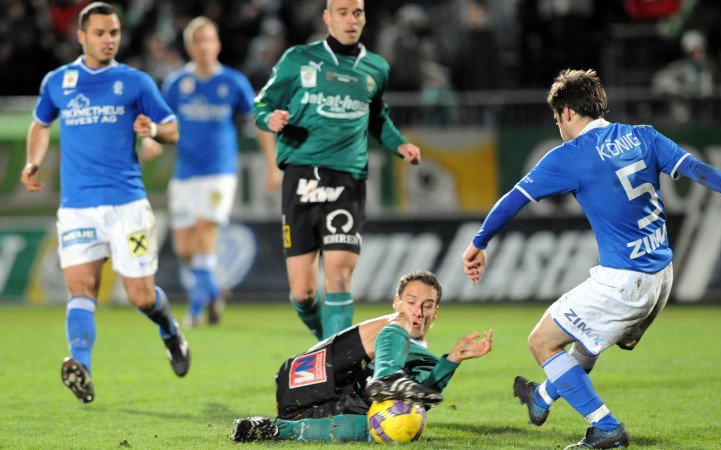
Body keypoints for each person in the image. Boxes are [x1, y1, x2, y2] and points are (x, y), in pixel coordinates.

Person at [462, 69, 721, 449]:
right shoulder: (643, 136)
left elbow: (513, 201)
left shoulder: (570, 156)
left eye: (557, 120)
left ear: (567, 112)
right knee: (585, 342)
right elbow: (699, 170)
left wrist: (478, 242)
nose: (559, 128)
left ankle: (606, 427)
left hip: (625, 281)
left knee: (542, 342)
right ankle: (543, 398)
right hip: (662, 277)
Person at [20, 2, 190, 403]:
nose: (108, 39)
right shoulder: (58, 82)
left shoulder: (134, 82)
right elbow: (40, 124)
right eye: (100, 33)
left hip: (126, 205)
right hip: (77, 206)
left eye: (114, 32)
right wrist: (32, 160)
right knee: (81, 287)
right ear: (81, 36)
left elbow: (172, 129)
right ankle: (81, 366)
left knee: (140, 297)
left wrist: (153, 131)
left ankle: (168, 328)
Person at [253, 0, 422, 340]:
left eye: (357, 12)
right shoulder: (298, 59)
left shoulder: (375, 68)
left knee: (338, 277)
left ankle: (338, 370)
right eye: (342, 12)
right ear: (327, 18)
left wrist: (399, 143)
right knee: (302, 293)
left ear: (364, 17)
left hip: (347, 179)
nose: (351, 19)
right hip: (300, 177)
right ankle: (329, 349)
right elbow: (262, 103)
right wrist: (269, 118)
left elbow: (377, 118)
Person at [229, 270, 492, 442]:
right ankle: (387, 375)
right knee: (393, 325)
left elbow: (423, 397)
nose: (418, 312)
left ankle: (272, 430)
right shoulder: (386, 327)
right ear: (396, 302)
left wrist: (452, 360)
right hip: (306, 380)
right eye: (411, 302)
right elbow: (395, 324)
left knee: (396, 426)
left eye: (427, 306)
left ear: (436, 312)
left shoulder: (429, 361)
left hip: (324, 416)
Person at [144, 16, 282, 329]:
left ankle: (195, 309)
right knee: (183, 247)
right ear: (190, 46)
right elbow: (164, 121)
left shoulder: (233, 82)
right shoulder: (178, 83)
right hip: (185, 172)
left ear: (217, 44)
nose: (205, 46)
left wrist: (272, 165)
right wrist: (152, 140)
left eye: (210, 40)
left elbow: (260, 122)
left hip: (220, 172)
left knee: (205, 235)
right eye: (199, 41)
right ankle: (212, 292)